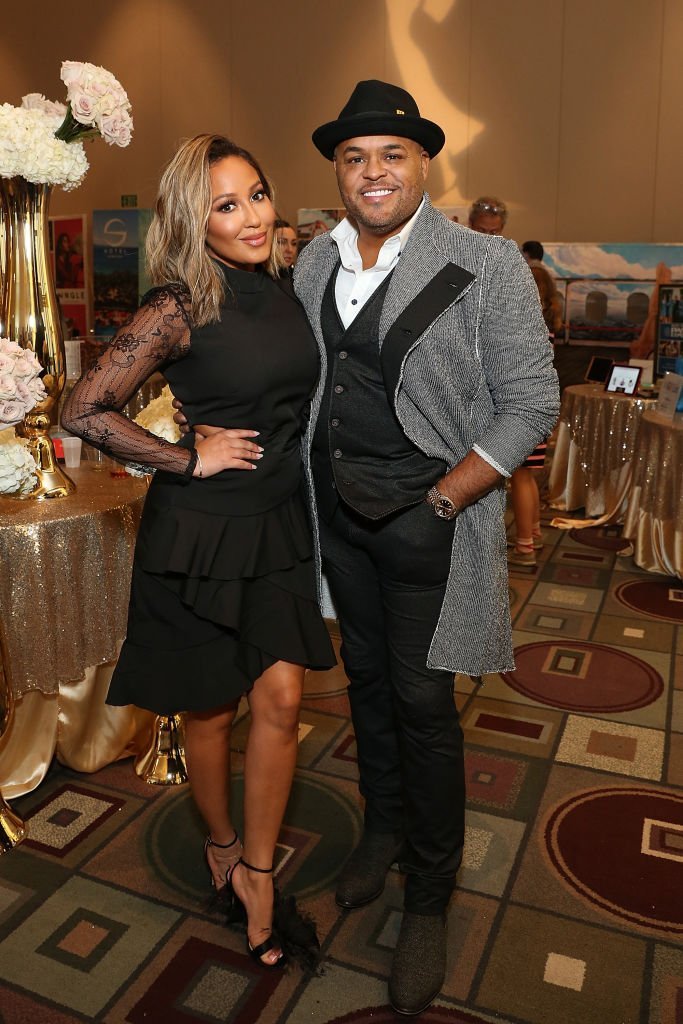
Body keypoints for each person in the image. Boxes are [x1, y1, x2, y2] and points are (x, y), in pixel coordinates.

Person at [178, 81, 559, 1015]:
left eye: (390, 153)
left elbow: (531, 402)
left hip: (429, 524)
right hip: (337, 526)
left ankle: (430, 897)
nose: (372, 171)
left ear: (422, 163)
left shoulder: (482, 262)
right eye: (353, 158)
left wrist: (443, 498)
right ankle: (382, 833)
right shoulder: (310, 264)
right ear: (337, 174)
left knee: (426, 707)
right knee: (370, 690)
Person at [61, 134, 335, 971]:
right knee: (210, 710)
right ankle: (221, 844)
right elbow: (85, 408)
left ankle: (257, 874)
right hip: (203, 530)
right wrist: (186, 455)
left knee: (283, 700)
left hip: (280, 523)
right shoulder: (178, 304)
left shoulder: (286, 288)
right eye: (226, 205)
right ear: (193, 219)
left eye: (255, 194)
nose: (251, 216)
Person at [507, 263, 562, 566]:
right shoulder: (547, 326)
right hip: (539, 407)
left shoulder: (531, 328)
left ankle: (524, 545)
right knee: (528, 477)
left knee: (521, 477)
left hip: (525, 409)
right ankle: (535, 532)